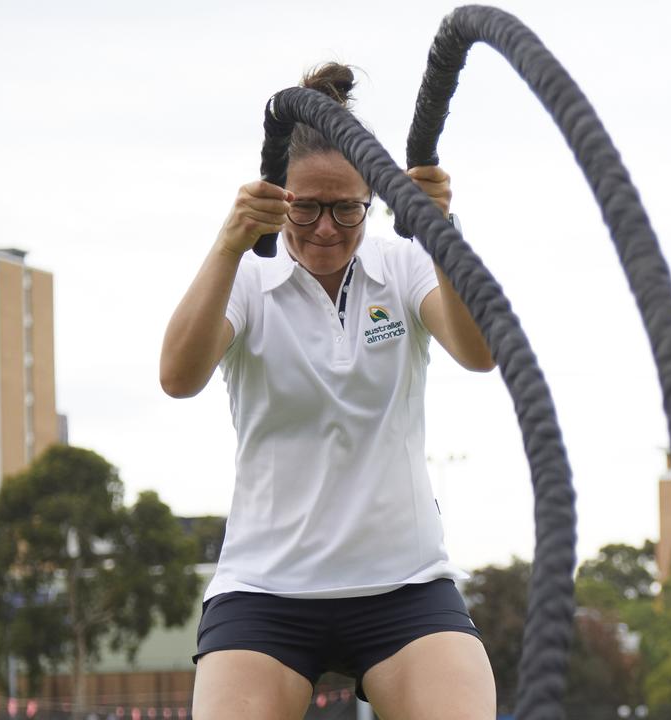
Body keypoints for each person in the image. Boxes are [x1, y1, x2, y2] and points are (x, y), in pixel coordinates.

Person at [159, 62, 497, 720]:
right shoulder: (249, 280)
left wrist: (439, 231)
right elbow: (177, 377)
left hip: (404, 583)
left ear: (371, 197)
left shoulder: (401, 266)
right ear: (277, 196)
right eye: (305, 207)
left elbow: (479, 354)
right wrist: (230, 242)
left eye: (346, 208)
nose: (325, 229)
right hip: (266, 587)